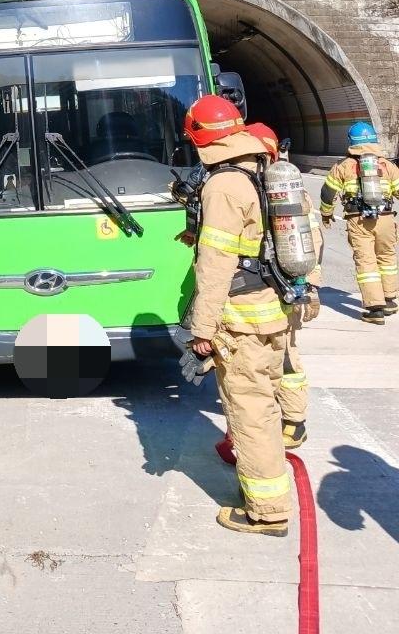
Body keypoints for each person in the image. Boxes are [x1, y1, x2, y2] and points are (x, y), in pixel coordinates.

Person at [184, 96, 292, 536]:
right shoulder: (265, 169)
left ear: (199, 138)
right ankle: (267, 491)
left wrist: (202, 328)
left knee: (250, 413)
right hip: (273, 309)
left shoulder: (223, 185)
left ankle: (266, 512)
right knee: (266, 404)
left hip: (242, 317)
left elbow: (215, 264)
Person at [246, 123, 322, 449]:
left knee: (286, 356)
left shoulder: (260, 187)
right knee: (280, 353)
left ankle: (294, 421)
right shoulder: (290, 189)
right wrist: (312, 285)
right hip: (288, 283)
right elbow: (314, 238)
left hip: (277, 286)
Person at [320, 120, 399, 324]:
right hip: (386, 218)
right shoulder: (387, 166)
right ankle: (389, 299)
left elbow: (328, 193)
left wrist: (326, 213)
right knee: (387, 258)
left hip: (359, 220)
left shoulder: (343, 166)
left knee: (366, 261)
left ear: (351, 141)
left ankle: (375, 308)